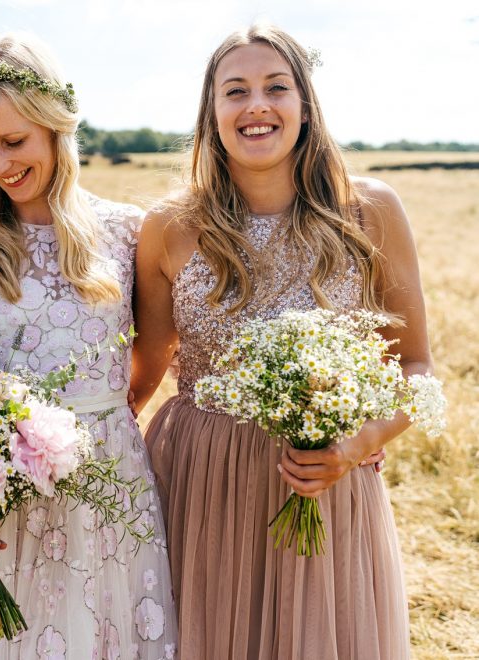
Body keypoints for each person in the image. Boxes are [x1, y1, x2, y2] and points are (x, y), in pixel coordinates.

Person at [134, 24, 428, 660]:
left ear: (305, 103)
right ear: (211, 113)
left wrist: (357, 445)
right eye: (234, 90)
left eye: (276, 87)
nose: (256, 105)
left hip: (324, 476)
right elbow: (145, 370)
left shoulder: (369, 211)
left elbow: (417, 366)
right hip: (200, 480)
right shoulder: (168, 226)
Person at [0, 34, 177, 659]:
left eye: (14, 141)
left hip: (110, 485)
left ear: (56, 128)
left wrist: (103, 421)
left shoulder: (126, 229)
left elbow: (150, 353)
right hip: (4, 495)